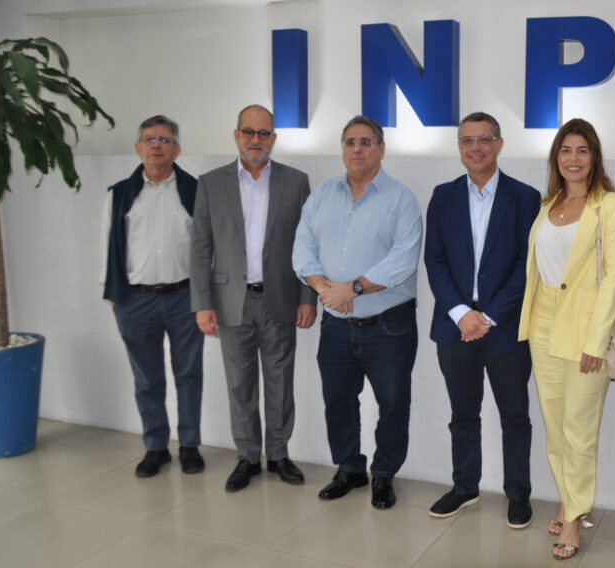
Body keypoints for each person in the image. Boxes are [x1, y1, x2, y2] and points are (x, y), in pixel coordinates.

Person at [292, 115, 423, 510]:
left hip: (389, 327)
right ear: (342, 149)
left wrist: (353, 288)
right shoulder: (321, 196)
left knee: (393, 405)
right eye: (350, 142)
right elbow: (302, 250)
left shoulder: (401, 199)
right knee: (338, 402)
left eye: (366, 142)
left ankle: (383, 474)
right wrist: (326, 291)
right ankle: (349, 468)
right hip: (336, 326)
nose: (357, 149)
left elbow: (403, 260)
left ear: (381, 149)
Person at [517, 118, 615, 560]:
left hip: (586, 329)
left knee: (579, 430)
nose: (573, 158)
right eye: (565, 150)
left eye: (582, 150)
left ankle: (575, 518)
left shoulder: (611, 206)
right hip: (542, 323)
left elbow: (614, 278)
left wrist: (595, 340)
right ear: (556, 158)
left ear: (595, 156)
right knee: (555, 427)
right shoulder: (549, 204)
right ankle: (568, 498)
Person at [189, 104, 317, 492]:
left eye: (263, 133)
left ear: (273, 139)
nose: (255, 140)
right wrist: (202, 303)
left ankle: (278, 454)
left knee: (280, 382)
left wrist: (307, 296)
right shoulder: (210, 183)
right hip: (230, 302)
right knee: (239, 385)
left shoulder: (296, 182)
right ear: (236, 135)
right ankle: (247, 456)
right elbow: (200, 248)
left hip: (280, 298)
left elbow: (308, 245)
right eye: (248, 132)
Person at [424, 112, 541, 527]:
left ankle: (518, 493)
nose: (476, 147)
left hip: (505, 326)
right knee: (462, 413)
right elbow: (434, 260)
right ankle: (465, 487)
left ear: (499, 144)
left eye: (484, 139)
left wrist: (488, 316)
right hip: (454, 326)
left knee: (515, 416)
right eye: (467, 140)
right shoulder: (443, 196)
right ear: (459, 146)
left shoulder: (525, 197)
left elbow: (527, 265)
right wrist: (461, 314)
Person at [102, 115, 205, 478]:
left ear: (177, 149)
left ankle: (189, 446)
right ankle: (156, 447)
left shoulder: (195, 191)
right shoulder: (119, 194)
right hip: (134, 300)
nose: (157, 146)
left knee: (189, 375)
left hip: (185, 298)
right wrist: (113, 294)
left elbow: (207, 247)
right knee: (147, 379)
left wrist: (205, 297)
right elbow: (106, 244)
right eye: (150, 139)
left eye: (164, 140)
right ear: (138, 147)